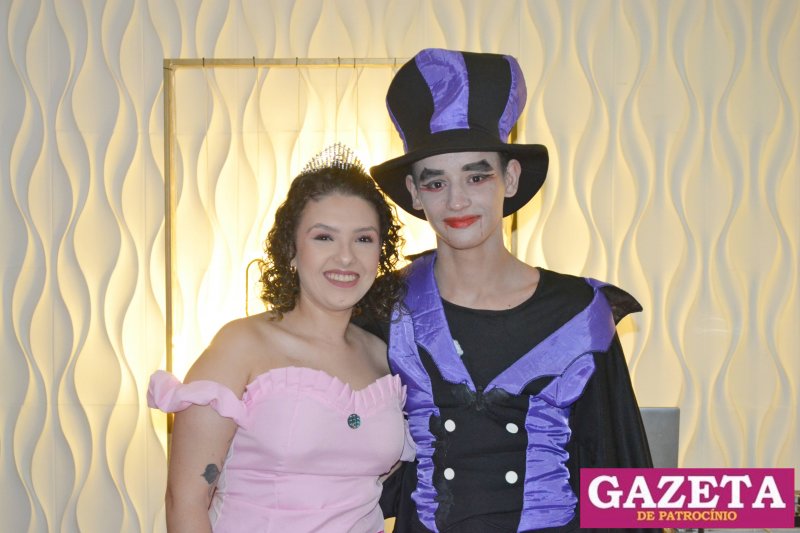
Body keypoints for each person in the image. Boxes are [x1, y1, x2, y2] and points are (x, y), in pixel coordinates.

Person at [367, 48, 656, 532]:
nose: (457, 200)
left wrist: (748, 501)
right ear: (414, 194)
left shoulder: (580, 314)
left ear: (511, 177)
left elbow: (621, 481)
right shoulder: (385, 308)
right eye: (436, 183)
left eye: (477, 176)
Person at [148, 143, 415, 532]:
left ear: (380, 253)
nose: (345, 257)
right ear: (292, 249)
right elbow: (185, 499)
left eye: (363, 239)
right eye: (324, 237)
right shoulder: (243, 344)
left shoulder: (383, 355)